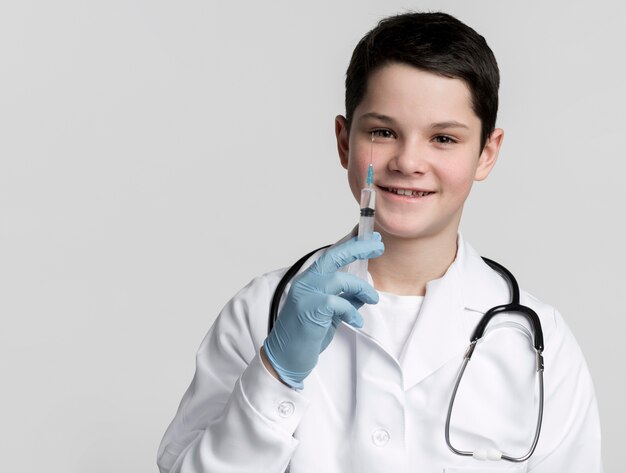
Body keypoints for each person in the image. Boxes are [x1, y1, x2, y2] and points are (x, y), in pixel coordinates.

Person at [157, 12, 602, 472]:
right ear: (344, 141)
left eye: (444, 138)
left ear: (486, 153)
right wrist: (274, 375)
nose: (409, 161)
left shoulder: (538, 340)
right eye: (383, 132)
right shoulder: (260, 313)